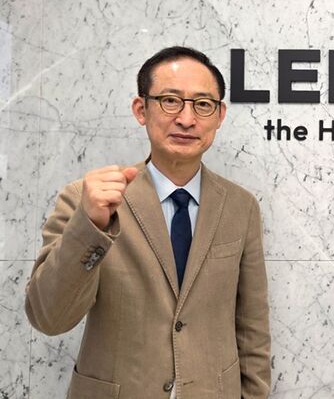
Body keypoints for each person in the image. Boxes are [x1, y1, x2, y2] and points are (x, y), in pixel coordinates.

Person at [25, 46, 271, 398]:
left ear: (220, 116)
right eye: (170, 101)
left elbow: (252, 328)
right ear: (141, 109)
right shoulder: (87, 200)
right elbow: (49, 318)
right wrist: (90, 226)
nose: (187, 119)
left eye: (203, 104)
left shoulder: (240, 207)